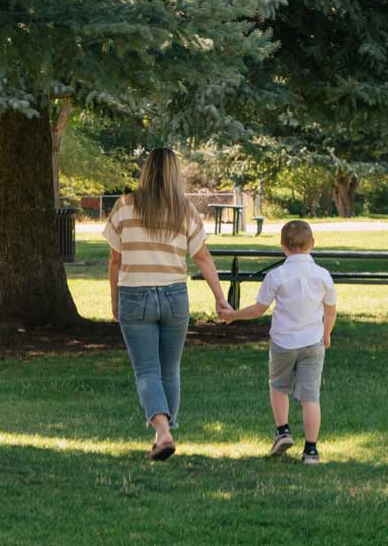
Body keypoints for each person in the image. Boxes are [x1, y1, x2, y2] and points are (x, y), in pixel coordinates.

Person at [104, 148, 228, 461]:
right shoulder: (184, 210)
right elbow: (202, 256)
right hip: (175, 296)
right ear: (175, 173)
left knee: (147, 371)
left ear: (146, 171)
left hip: (136, 294)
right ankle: (166, 433)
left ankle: (163, 433)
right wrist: (220, 297)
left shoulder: (124, 206)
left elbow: (115, 259)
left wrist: (114, 299)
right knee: (170, 369)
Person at [218, 220, 337, 465]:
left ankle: (282, 430)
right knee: (310, 397)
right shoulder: (322, 275)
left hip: (283, 343)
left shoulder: (277, 275)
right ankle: (311, 450)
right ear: (312, 244)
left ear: (283, 246)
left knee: (278, 386)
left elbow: (260, 309)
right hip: (312, 343)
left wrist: (232, 315)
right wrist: (327, 333)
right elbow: (331, 309)